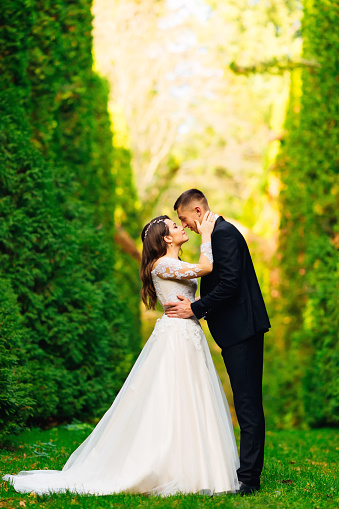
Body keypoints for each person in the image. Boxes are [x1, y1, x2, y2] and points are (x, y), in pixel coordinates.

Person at [3, 211, 240, 496]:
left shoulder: (174, 262)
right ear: (166, 238)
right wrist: (206, 235)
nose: (181, 228)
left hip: (188, 334)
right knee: (172, 397)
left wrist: (196, 304)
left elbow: (189, 294)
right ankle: (168, 466)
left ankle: (198, 467)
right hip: (176, 338)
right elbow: (205, 268)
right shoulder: (162, 264)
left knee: (192, 396)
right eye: (176, 226)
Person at [164, 189, 271, 495]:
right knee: (245, 401)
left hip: (243, 329)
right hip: (237, 330)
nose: (184, 226)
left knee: (248, 404)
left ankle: (249, 479)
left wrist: (194, 308)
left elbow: (230, 285)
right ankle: (246, 471)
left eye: (184, 219)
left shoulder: (223, 234)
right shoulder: (218, 234)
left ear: (198, 211)